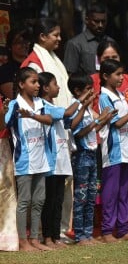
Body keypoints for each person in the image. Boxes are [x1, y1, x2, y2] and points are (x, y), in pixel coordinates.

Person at [21, 17, 73, 239]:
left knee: (61, 187)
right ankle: (45, 234)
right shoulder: (35, 62)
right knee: (46, 190)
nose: (60, 39)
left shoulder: (52, 58)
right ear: (42, 37)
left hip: (60, 129)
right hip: (44, 132)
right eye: (55, 35)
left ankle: (59, 230)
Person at [0, 67, 55, 251]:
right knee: (24, 201)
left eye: (38, 81)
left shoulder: (41, 103)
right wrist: (4, 111)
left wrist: (31, 114)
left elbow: (49, 119)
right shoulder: (15, 104)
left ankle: (35, 238)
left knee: (39, 200)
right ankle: (23, 241)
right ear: (22, 84)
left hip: (42, 159)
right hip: (24, 160)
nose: (38, 85)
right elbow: (4, 124)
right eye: (33, 82)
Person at [38, 72, 93, 248]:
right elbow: (69, 111)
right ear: (45, 88)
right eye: (55, 84)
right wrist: (81, 98)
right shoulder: (44, 106)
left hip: (62, 160)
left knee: (59, 200)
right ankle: (47, 237)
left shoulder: (55, 107)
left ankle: (56, 237)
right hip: (51, 162)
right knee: (50, 200)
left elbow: (71, 123)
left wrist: (83, 107)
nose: (58, 87)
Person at [99, 59, 128, 243]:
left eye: (122, 74)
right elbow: (117, 123)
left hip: (127, 149)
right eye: (117, 74)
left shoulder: (119, 95)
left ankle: (123, 228)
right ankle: (107, 231)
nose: (121, 78)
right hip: (113, 152)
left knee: (123, 191)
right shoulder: (104, 97)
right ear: (105, 76)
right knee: (110, 193)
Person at [68, 74, 112, 245]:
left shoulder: (87, 108)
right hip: (81, 156)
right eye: (88, 90)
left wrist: (104, 120)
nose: (92, 92)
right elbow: (77, 133)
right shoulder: (75, 107)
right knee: (81, 197)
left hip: (93, 153)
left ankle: (88, 233)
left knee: (91, 195)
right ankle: (80, 235)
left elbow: (93, 129)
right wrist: (96, 122)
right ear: (78, 91)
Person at [63, 2, 109, 76]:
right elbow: (69, 75)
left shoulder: (110, 42)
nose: (100, 25)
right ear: (87, 20)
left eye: (103, 21)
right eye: (96, 21)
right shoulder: (75, 44)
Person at [0, 97, 18, 251]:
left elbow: (2, 126)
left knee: (6, 192)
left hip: (2, 144)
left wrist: (3, 112)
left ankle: (6, 240)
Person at [0, 27, 30, 99]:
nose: (24, 45)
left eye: (26, 41)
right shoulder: (5, 70)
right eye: (19, 42)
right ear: (10, 46)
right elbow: (15, 97)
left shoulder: (33, 65)